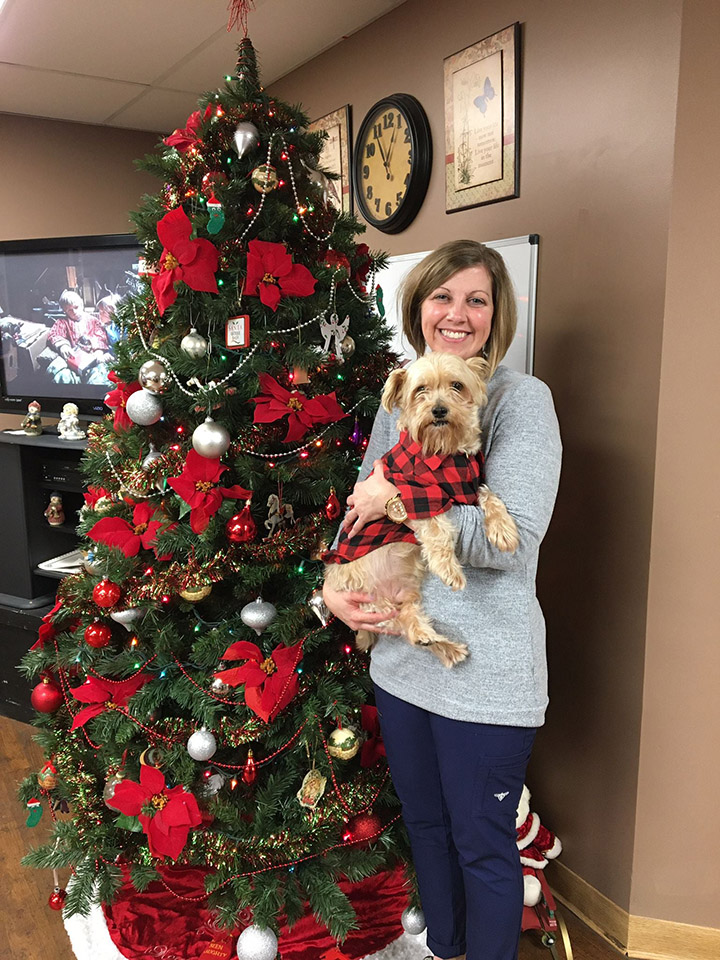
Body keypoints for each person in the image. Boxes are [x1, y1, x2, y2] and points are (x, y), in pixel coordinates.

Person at [322, 240, 562, 960]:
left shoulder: (522, 401)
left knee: (482, 846)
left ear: (497, 314)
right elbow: (358, 512)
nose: (457, 314)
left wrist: (396, 500)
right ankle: (444, 949)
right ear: (418, 306)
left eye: (477, 299)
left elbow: (508, 540)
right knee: (424, 828)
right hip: (402, 661)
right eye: (442, 297)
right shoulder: (400, 398)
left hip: (485, 675)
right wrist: (333, 588)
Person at [47, 290, 113, 384]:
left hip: (92, 358)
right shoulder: (62, 322)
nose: (74, 312)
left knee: (99, 377)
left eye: (76, 307)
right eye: (69, 310)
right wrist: (63, 346)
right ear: (64, 311)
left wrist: (98, 352)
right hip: (72, 359)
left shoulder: (94, 321)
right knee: (62, 376)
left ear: (81, 305)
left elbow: (100, 337)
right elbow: (55, 334)